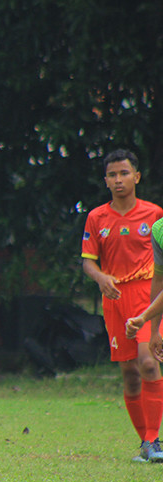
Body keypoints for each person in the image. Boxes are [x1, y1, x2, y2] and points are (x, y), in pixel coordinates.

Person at [82, 149, 163, 463]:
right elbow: (88, 262)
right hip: (115, 300)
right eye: (113, 175)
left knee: (148, 362)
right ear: (106, 181)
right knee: (130, 374)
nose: (119, 180)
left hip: (148, 295)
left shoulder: (155, 215)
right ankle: (146, 443)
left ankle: (153, 441)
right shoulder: (97, 217)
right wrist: (101, 277)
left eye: (124, 173)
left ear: (137, 177)